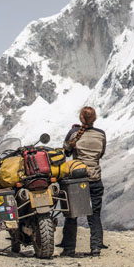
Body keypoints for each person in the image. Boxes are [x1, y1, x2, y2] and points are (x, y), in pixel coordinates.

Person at [58, 106, 107, 257]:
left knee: (72, 214)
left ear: (81, 118)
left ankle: (69, 248)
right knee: (95, 214)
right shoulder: (101, 134)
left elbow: (65, 151)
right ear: (95, 118)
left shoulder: (74, 133)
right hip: (95, 178)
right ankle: (96, 247)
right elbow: (101, 154)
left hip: (77, 179)